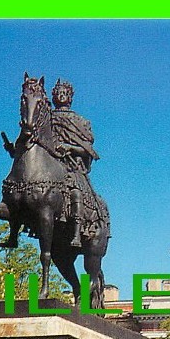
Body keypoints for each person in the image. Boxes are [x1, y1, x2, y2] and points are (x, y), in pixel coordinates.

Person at [50, 79, 102, 248]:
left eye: (64, 92)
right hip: (50, 164)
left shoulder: (81, 122)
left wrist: (69, 147)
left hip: (71, 166)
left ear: (70, 97)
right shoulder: (45, 119)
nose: (61, 95)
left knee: (76, 192)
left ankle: (78, 232)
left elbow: (88, 150)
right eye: (58, 92)